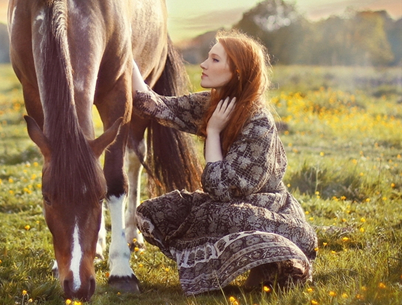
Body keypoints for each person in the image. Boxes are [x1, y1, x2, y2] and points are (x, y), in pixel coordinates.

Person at [131, 30, 317, 296]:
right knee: (155, 211)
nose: (204, 65)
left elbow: (219, 189)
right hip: (226, 206)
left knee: (222, 214)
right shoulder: (214, 102)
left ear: (237, 72)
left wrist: (215, 132)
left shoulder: (258, 123)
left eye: (215, 60)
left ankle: (276, 259)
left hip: (267, 212)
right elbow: (155, 105)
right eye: (207, 58)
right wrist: (127, 56)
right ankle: (234, 265)